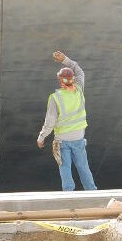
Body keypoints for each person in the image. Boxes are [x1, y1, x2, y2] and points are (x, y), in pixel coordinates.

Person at [37, 51, 97, 191]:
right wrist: (65, 59)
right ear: (73, 79)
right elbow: (79, 71)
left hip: (62, 141)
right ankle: (92, 191)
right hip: (79, 139)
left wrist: (41, 137)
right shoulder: (79, 91)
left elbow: (50, 122)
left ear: (60, 81)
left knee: (65, 168)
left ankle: (69, 194)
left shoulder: (55, 98)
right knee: (83, 167)